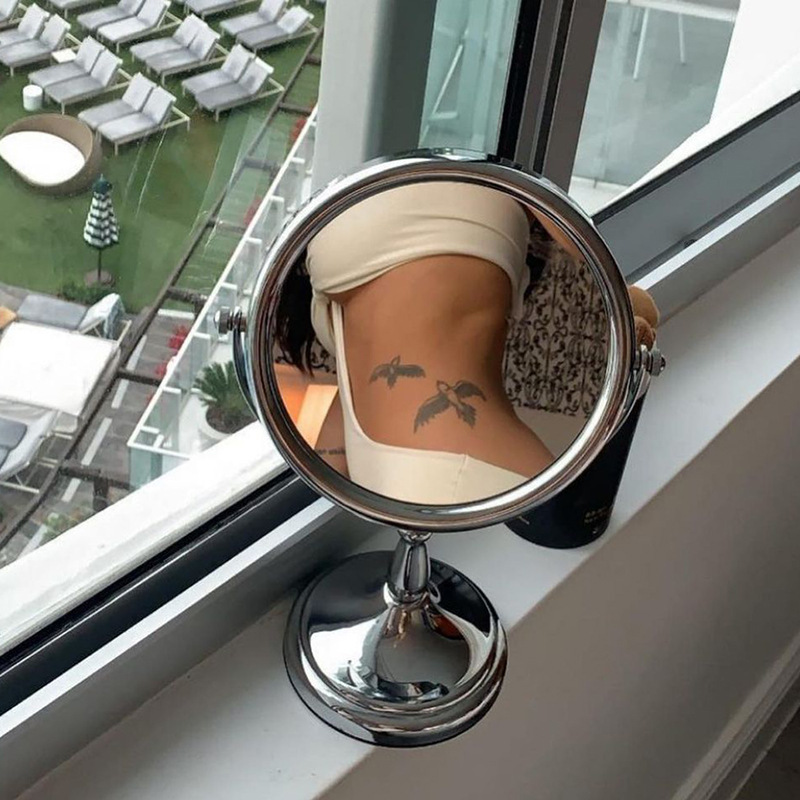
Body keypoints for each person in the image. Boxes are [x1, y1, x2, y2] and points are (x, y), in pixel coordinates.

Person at [276, 180, 556, 504]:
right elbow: (360, 386)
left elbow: (595, 248)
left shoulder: (490, 195)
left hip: (467, 479)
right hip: (412, 475)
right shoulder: (347, 305)